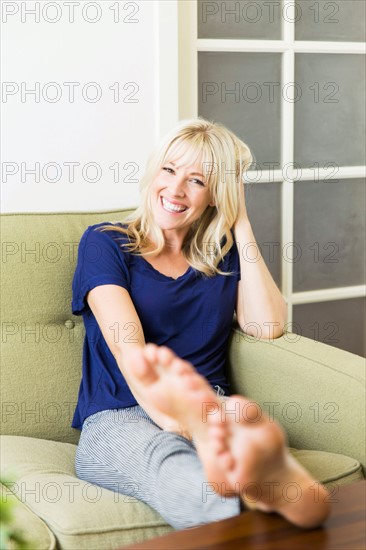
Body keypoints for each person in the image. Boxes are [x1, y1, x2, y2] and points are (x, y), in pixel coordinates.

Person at [71, 117, 331, 530]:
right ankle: (272, 493)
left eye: (197, 180)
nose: (175, 190)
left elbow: (267, 326)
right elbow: (128, 347)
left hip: (210, 410)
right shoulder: (105, 242)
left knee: (228, 448)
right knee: (172, 466)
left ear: (216, 195)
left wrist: (240, 221)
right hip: (120, 416)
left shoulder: (221, 255)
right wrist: (182, 423)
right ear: (154, 171)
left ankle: (277, 488)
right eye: (169, 170)